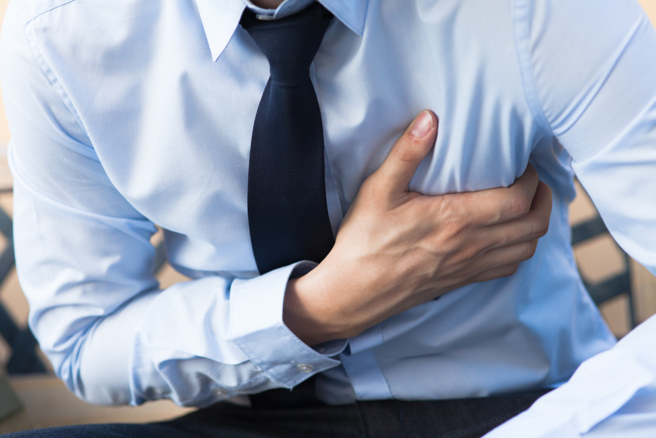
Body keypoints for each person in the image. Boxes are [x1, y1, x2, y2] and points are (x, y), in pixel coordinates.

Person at [1, 0, 656, 436]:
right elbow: (88, 337)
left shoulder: (533, 9)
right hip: (253, 418)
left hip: (527, 409)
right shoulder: (58, 33)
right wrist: (319, 308)